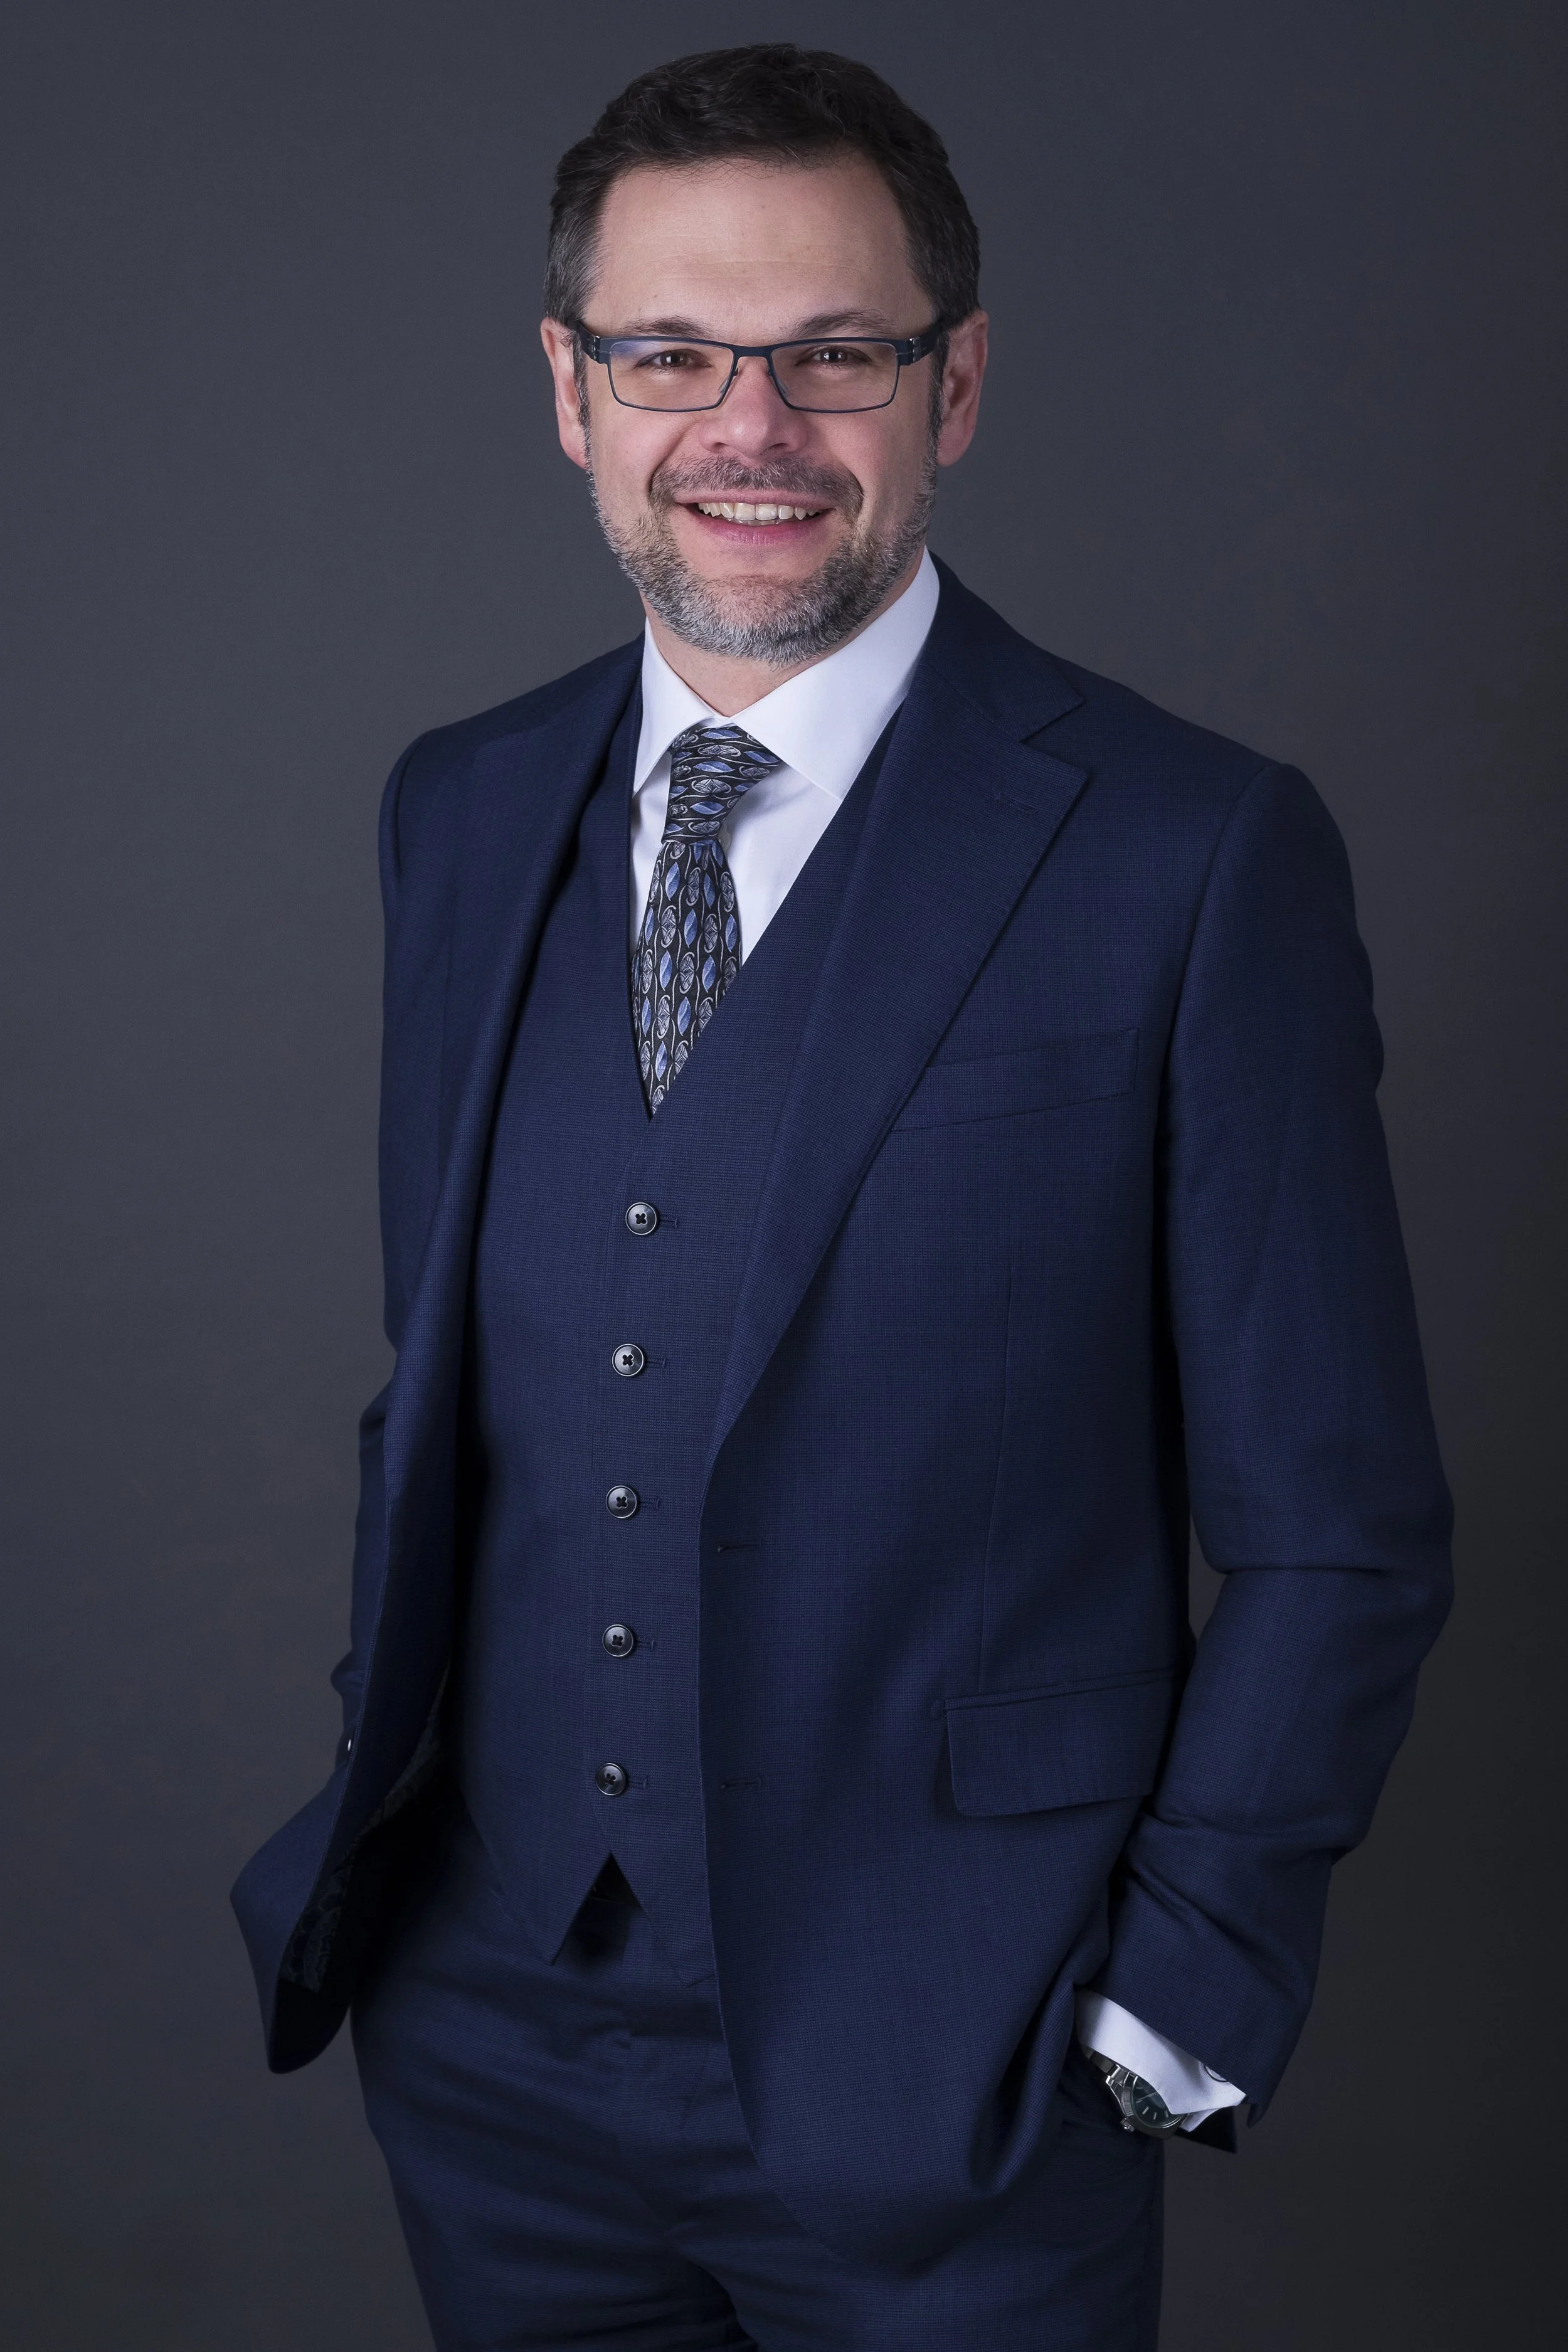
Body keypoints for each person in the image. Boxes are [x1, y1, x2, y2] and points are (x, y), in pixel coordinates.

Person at [233, 43, 1452, 2350]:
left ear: (954, 385)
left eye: (835, 355)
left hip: (955, 2072)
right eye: (671, 353)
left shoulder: (1189, 855)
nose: (749, 427)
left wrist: (1162, 2009)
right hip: (491, 2047)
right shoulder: (461, 805)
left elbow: (1342, 1521)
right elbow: (477, 1380)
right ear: (569, 392)